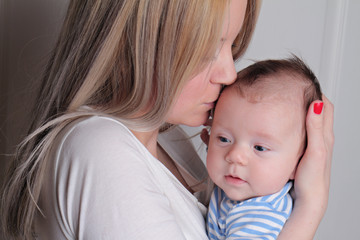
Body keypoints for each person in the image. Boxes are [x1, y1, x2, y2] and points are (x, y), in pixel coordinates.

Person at [0, 0, 333, 239]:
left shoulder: (168, 139)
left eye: (231, 48)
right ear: (139, 43)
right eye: (206, 52)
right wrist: (309, 211)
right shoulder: (101, 151)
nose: (229, 73)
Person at [205, 56, 323, 239]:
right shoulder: (242, 191)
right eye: (224, 138)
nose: (235, 155)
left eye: (259, 148)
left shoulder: (259, 217)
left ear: (298, 163)